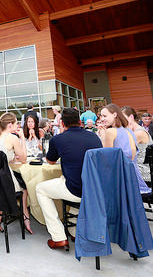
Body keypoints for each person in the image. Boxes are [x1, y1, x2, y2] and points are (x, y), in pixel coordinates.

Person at [36, 107, 102, 250]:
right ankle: (73, 230)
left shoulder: (58, 139)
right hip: (95, 189)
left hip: (75, 189)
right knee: (72, 181)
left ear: (62, 124)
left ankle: (58, 237)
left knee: (40, 189)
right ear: (80, 121)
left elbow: (51, 161)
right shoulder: (94, 137)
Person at [0, 112, 33, 234]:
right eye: (16, 123)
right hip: (3, 180)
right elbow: (23, 159)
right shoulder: (13, 138)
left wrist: (11, 158)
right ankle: (25, 216)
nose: (18, 126)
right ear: (10, 125)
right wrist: (22, 137)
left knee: (18, 183)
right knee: (24, 189)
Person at [100, 104, 151, 193]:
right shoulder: (129, 130)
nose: (102, 119)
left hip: (123, 181)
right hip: (135, 177)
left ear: (115, 115)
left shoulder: (110, 132)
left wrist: (103, 136)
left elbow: (106, 159)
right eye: (101, 116)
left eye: (105, 116)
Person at [121, 106, 153, 182]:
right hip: (137, 166)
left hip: (142, 170)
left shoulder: (138, 133)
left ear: (131, 117)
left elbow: (124, 151)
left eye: (123, 117)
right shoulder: (134, 131)